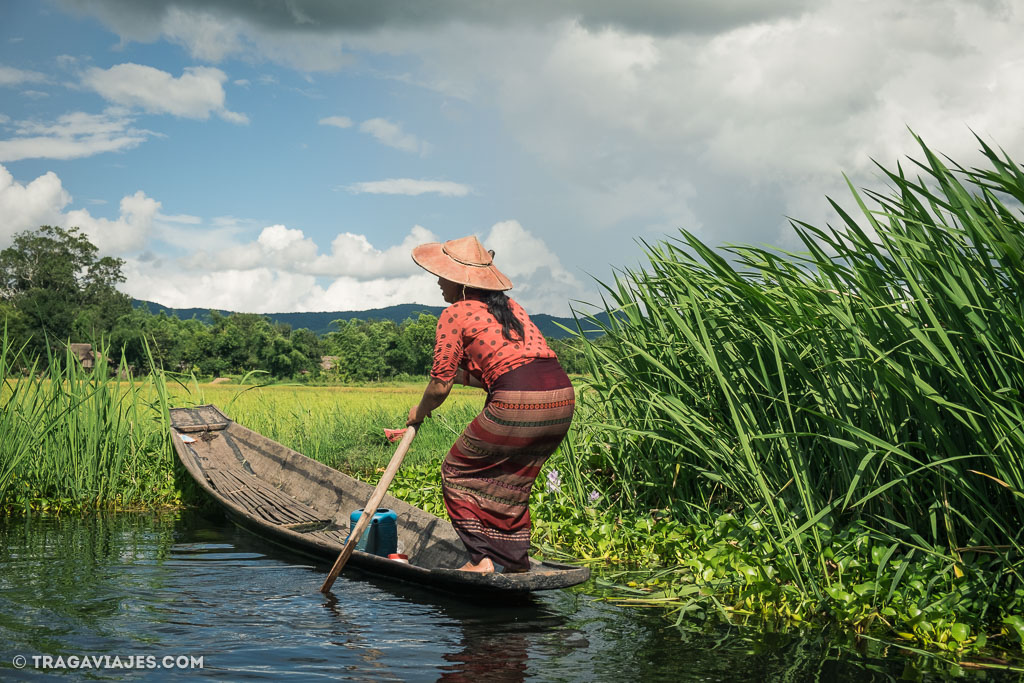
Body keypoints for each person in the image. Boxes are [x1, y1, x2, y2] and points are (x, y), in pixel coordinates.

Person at [406, 235, 575, 574]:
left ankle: (480, 560)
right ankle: (514, 561)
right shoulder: (511, 309)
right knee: (512, 479)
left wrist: (418, 412)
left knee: (456, 471)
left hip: (517, 401)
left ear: (460, 282)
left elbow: (439, 385)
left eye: (443, 277)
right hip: (561, 397)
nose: (439, 282)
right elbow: (500, 368)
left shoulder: (455, 313)